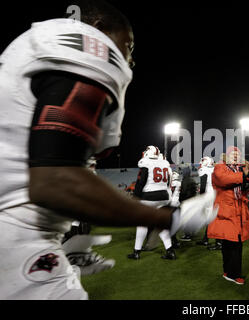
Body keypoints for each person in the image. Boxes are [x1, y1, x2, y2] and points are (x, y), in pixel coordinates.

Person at [0, 0, 216, 300]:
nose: (128, 57)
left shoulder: (25, 51)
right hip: (16, 236)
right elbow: (54, 181)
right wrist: (169, 219)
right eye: (128, 45)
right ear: (99, 28)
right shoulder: (86, 46)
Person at [207, 146, 249, 285]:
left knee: (234, 241)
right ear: (226, 156)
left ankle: (229, 272)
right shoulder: (220, 167)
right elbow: (223, 179)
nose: (235, 156)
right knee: (231, 242)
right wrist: (244, 175)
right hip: (226, 208)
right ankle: (234, 274)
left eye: (238, 154)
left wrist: (248, 173)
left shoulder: (240, 168)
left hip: (238, 209)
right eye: (233, 154)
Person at [127, 146, 177, 260]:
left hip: (149, 196)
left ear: (148, 153)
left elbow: (140, 182)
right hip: (164, 196)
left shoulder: (146, 163)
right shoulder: (164, 163)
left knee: (142, 224)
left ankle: (136, 252)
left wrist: (135, 198)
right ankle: (170, 250)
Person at [196, 156, 217, 246]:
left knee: (210, 218)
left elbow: (203, 185)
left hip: (209, 194)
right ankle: (206, 238)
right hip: (216, 193)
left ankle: (218, 241)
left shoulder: (204, 170)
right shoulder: (214, 169)